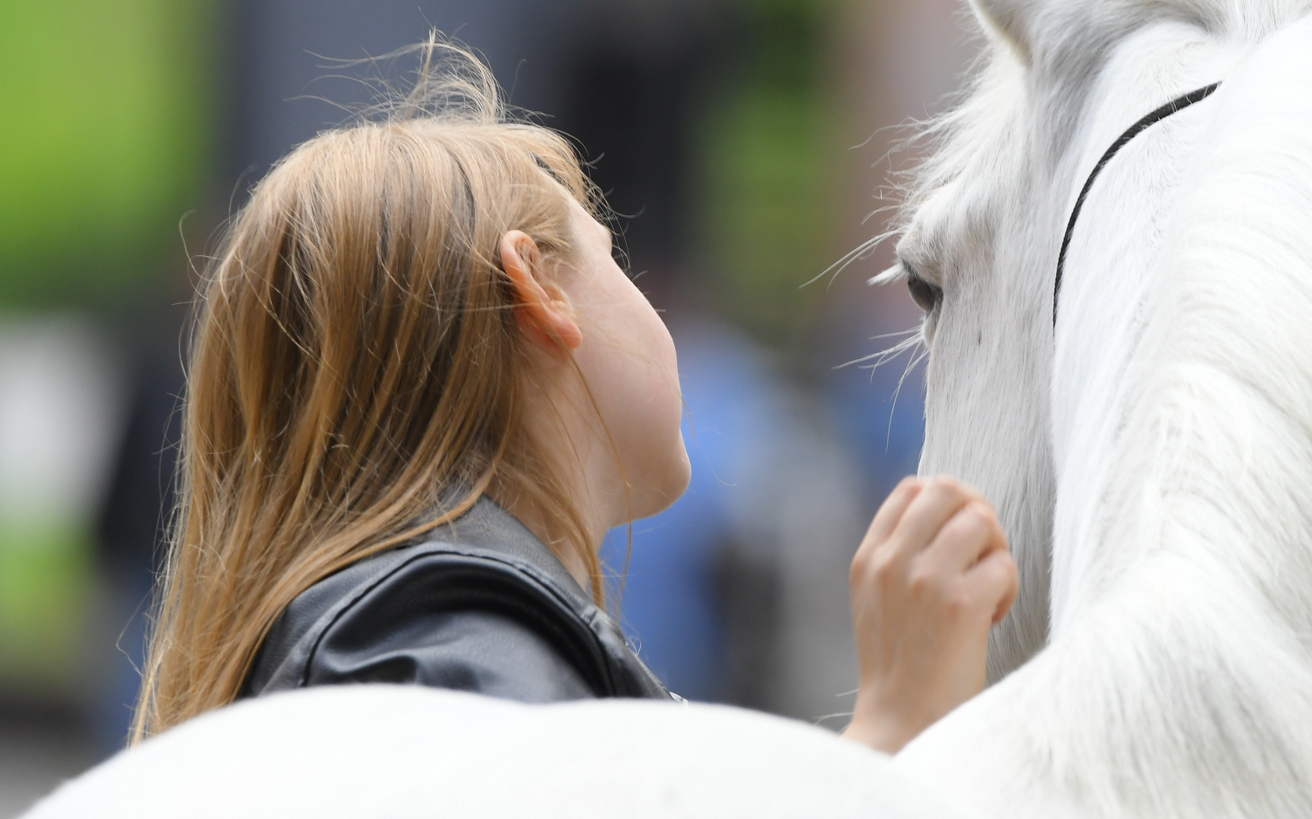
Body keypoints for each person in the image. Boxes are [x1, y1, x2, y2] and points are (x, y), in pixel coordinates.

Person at [131, 37, 1018, 755]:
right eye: (611, 256)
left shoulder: (406, 648)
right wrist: (894, 734)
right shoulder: (451, 660)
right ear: (539, 286)